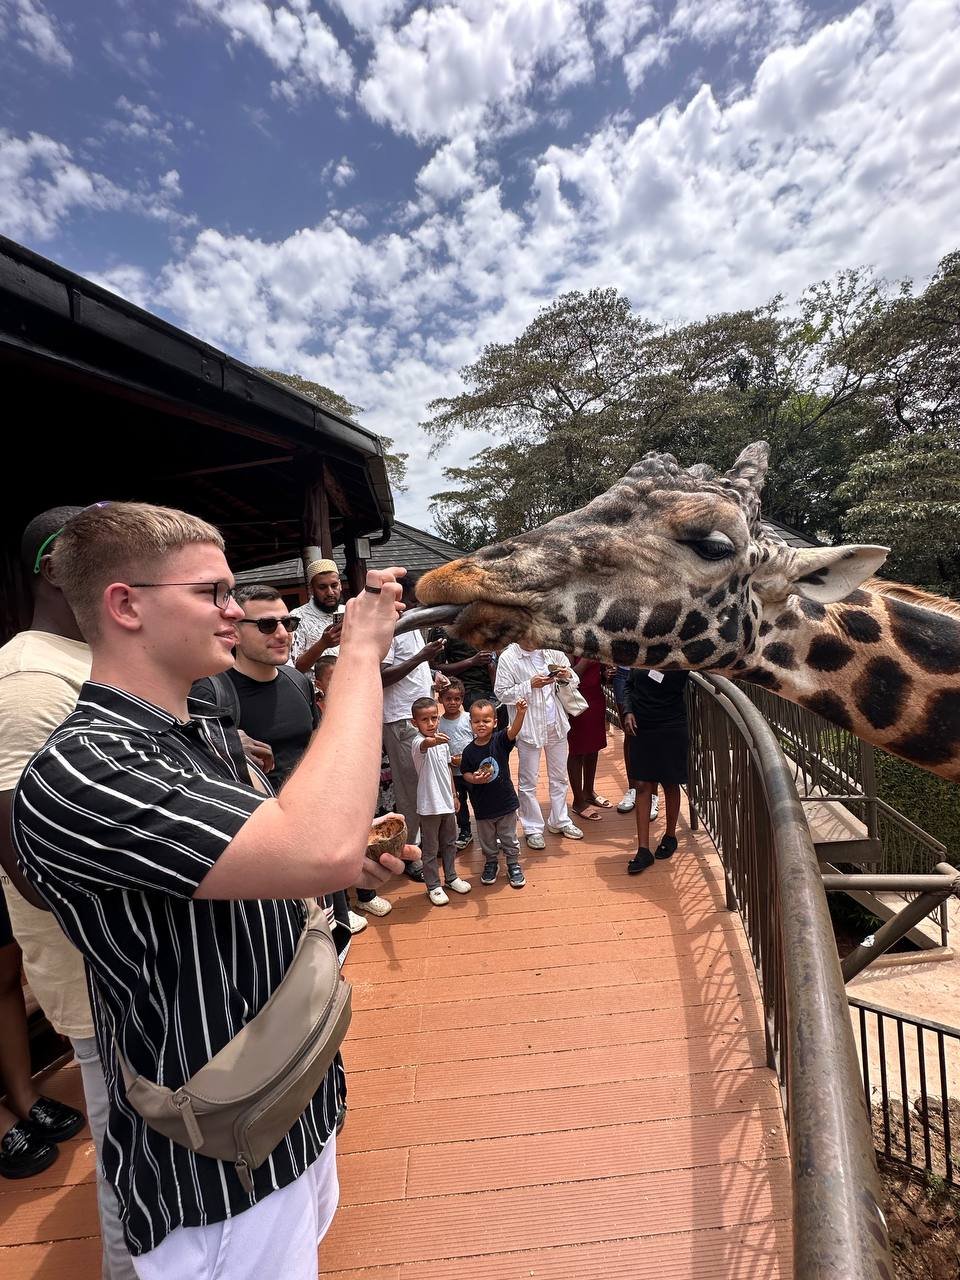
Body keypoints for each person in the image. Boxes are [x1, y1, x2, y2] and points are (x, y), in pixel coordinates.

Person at [11, 502, 408, 1278]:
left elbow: (284, 862)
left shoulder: (206, 733)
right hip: (215, 1164)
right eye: (212, 593)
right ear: (126, 605)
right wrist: (358, 653)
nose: (238, 612)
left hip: (293, 1101)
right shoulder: (82, 768)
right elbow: (315, 845)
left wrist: (338, 870)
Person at [0, 506, 137, 1276]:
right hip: (102, 968)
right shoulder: (27, 678)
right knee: (127, 1151)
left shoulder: (87, 658)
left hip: (141, 963)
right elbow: (21, 847)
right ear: (57, 569)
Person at [191, 585, 367, 940]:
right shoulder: (210, 692)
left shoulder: (297, 680)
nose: (283, 634)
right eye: (268, 625)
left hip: (313, 831)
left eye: (289, 622)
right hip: (263, 850)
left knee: (331, 940)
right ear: (236, 631)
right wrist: (227, 749)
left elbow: (319, 753)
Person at [494, 641, 583, 849]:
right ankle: (533, 828)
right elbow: (501, 693)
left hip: (556, 724)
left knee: (559, 776)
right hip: (529, 727)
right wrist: (529, 685)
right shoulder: (509, 657)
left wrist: (565, 675)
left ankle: (559, 820)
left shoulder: (551, 651)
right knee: (528, 781)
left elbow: (575, 680)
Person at [381, 573, 444, 858]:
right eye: (415, 601)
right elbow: (380, 676)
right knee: (410, 788)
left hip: (423, 717)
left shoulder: (414, 626)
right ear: (399, 598)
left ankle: (430, 846)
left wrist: (433, 676)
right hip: (402, 720)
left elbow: (410, 674)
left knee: (428, 782)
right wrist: (421, 657)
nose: (420, 606)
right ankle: (412, 851)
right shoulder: (389, 628)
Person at [622, 668, 690, 874]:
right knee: (641, 784)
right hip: (641, 725)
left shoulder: (679, 655)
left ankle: (670, 836)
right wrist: (627, 711)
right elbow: (628, 685)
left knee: (670, 781)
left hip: (671, 723)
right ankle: (643, 850)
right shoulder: (642, 654)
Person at [410, 696, 472, 906]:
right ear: (414, 723)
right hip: (429, 805)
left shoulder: (443, 742)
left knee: (449, 842)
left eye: (434, 718)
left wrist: (454, 796)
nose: (430, 723)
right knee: (430, 847)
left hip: (446, 801)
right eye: (424, 719)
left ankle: (451, 877)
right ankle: (433, 885)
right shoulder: (418, 742)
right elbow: (426, 744)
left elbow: (447, 769)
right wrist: (434, 740)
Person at [461, 698, 528, 888]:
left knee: (508, 836)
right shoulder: (469, 751)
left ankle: (513, 864)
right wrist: (473, 778)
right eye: (477, 721)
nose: (481, 725)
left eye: (486, 720)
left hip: (505, 801)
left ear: (495, 722)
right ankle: (491, 862)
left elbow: (513, 731)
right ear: (471, 723)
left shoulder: (499, 740)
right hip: (482, 805)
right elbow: (465, 772)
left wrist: (521, 713)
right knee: (487, 839)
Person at [565, 659, 611, 822]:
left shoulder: (594, 640)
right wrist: (586, 660)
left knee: (594, 746)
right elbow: (567, 675)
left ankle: (589, 791)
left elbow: (600, 671)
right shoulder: (570, 643)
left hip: (595, 695)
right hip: (576, 698)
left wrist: (606, 674)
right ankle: (578, 801)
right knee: (577, 749)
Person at [614, 666, 659, 820]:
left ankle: (653, 795)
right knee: (630, 734)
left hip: (651, 672)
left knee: (652, 738)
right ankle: (632, 788)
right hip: (624, 673)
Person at [438, 678, 476, 849]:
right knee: (459, 803)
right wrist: (450, 760)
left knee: (479, 800)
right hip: (453, 774)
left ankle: (488, 830)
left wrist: (468, 758)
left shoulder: (469, 718)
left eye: (457, 699)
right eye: (448, 699)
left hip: (472, 771)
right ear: (440, 699)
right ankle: (465, 831)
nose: (453, 702)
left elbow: (478, 740)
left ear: (462, 699)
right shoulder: (438, 723)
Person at [290, 557, 344, 671]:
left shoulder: (349, 611)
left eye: (334, 586)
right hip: (314, 688)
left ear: (340, 585)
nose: (330, 592)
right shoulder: (297, 617)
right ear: (311, 589)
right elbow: (295, 668)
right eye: (322, 587)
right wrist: (323, 644)